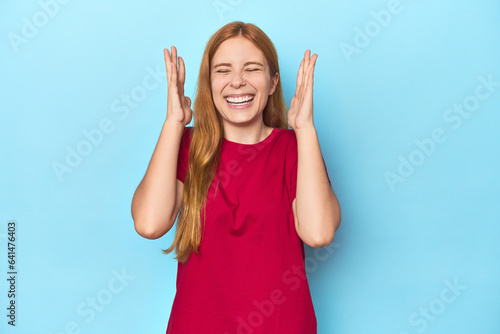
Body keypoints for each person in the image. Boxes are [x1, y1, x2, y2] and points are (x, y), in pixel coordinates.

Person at [131, 21, 341, 334]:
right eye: (223, 70)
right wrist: (173, 124)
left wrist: (305, 129)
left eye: (252, 69)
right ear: (208, 83)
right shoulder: (187, 147)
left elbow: (319, 233)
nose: (238, 82)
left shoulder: (293, 148)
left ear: (272, 83)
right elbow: (149, 224)